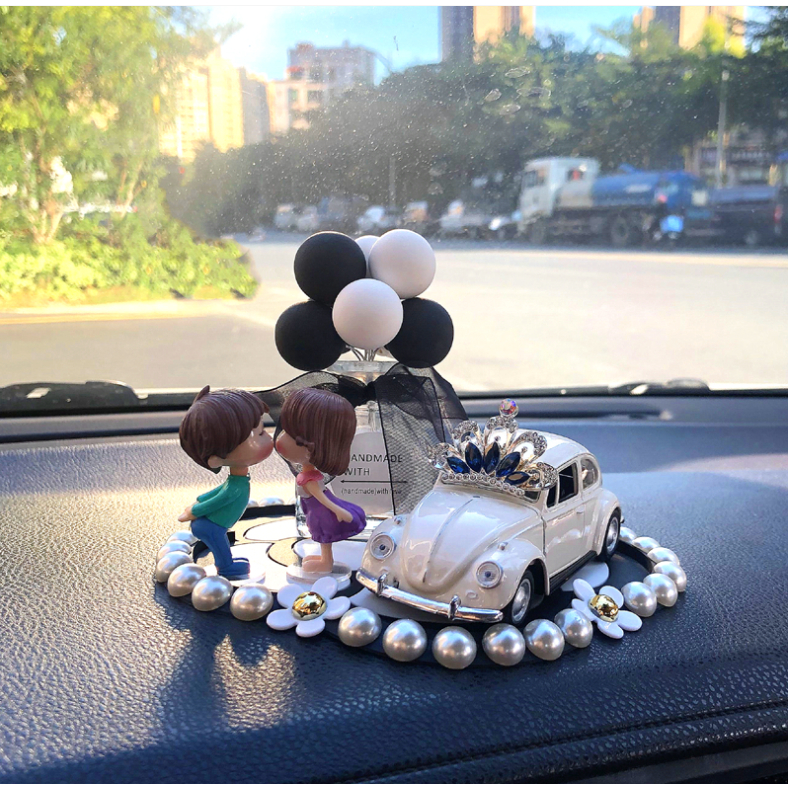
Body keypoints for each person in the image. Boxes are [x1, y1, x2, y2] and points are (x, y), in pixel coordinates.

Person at [178, 386, 272, 579]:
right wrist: (194, 510)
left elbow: (217, 492)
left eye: (263, 431)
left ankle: (227, 563)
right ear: (215, 461)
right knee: (219, 544)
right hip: (211, 526)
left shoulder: (235, 482)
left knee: (220, 543)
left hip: (211, 523)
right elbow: (219, 500)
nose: (269, 438)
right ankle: (226, 567)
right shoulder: (236, 487)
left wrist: (200, 499)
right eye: (258, 435)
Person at [275, 388, 366, 574]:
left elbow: (321, 497)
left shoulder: (311, 479)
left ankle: (326, 562)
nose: (280, 440)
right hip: (314, 508)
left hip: (320, 511)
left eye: (296, 440)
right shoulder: (309, 474)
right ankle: (325, 559)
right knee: (323, 537)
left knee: (324, 536)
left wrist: (339, 511)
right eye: (285, 430)